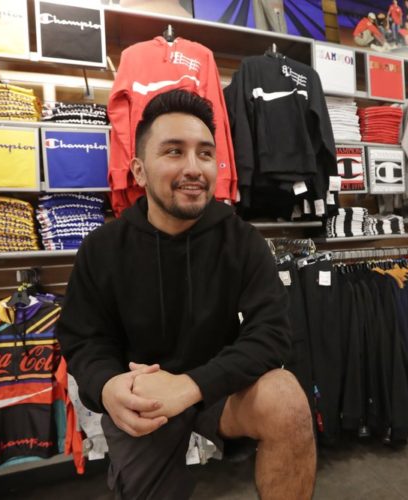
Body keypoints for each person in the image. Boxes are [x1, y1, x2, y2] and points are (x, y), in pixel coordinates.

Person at [57, 89, 316, 499]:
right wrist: (107, 386)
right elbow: (83, 338)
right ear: (139, 172)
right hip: (143, 398)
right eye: (174, 152)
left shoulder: (242, 241)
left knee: (287, 398)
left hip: (216, 387)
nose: (194, 167)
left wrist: (192, 385)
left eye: (205, 153)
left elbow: (272, 333)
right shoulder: (104, 247)